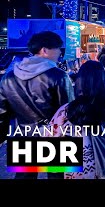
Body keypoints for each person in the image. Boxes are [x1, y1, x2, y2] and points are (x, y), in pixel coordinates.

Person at [0, 31, 75, 179]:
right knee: (57, 177)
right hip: (56, 137)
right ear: (44, 50)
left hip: (24, 135)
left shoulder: (8, 78)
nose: (61, 52)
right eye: (58, 48)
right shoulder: (58, 75)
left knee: (24, 177)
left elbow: (2, 112)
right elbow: (68, 110)